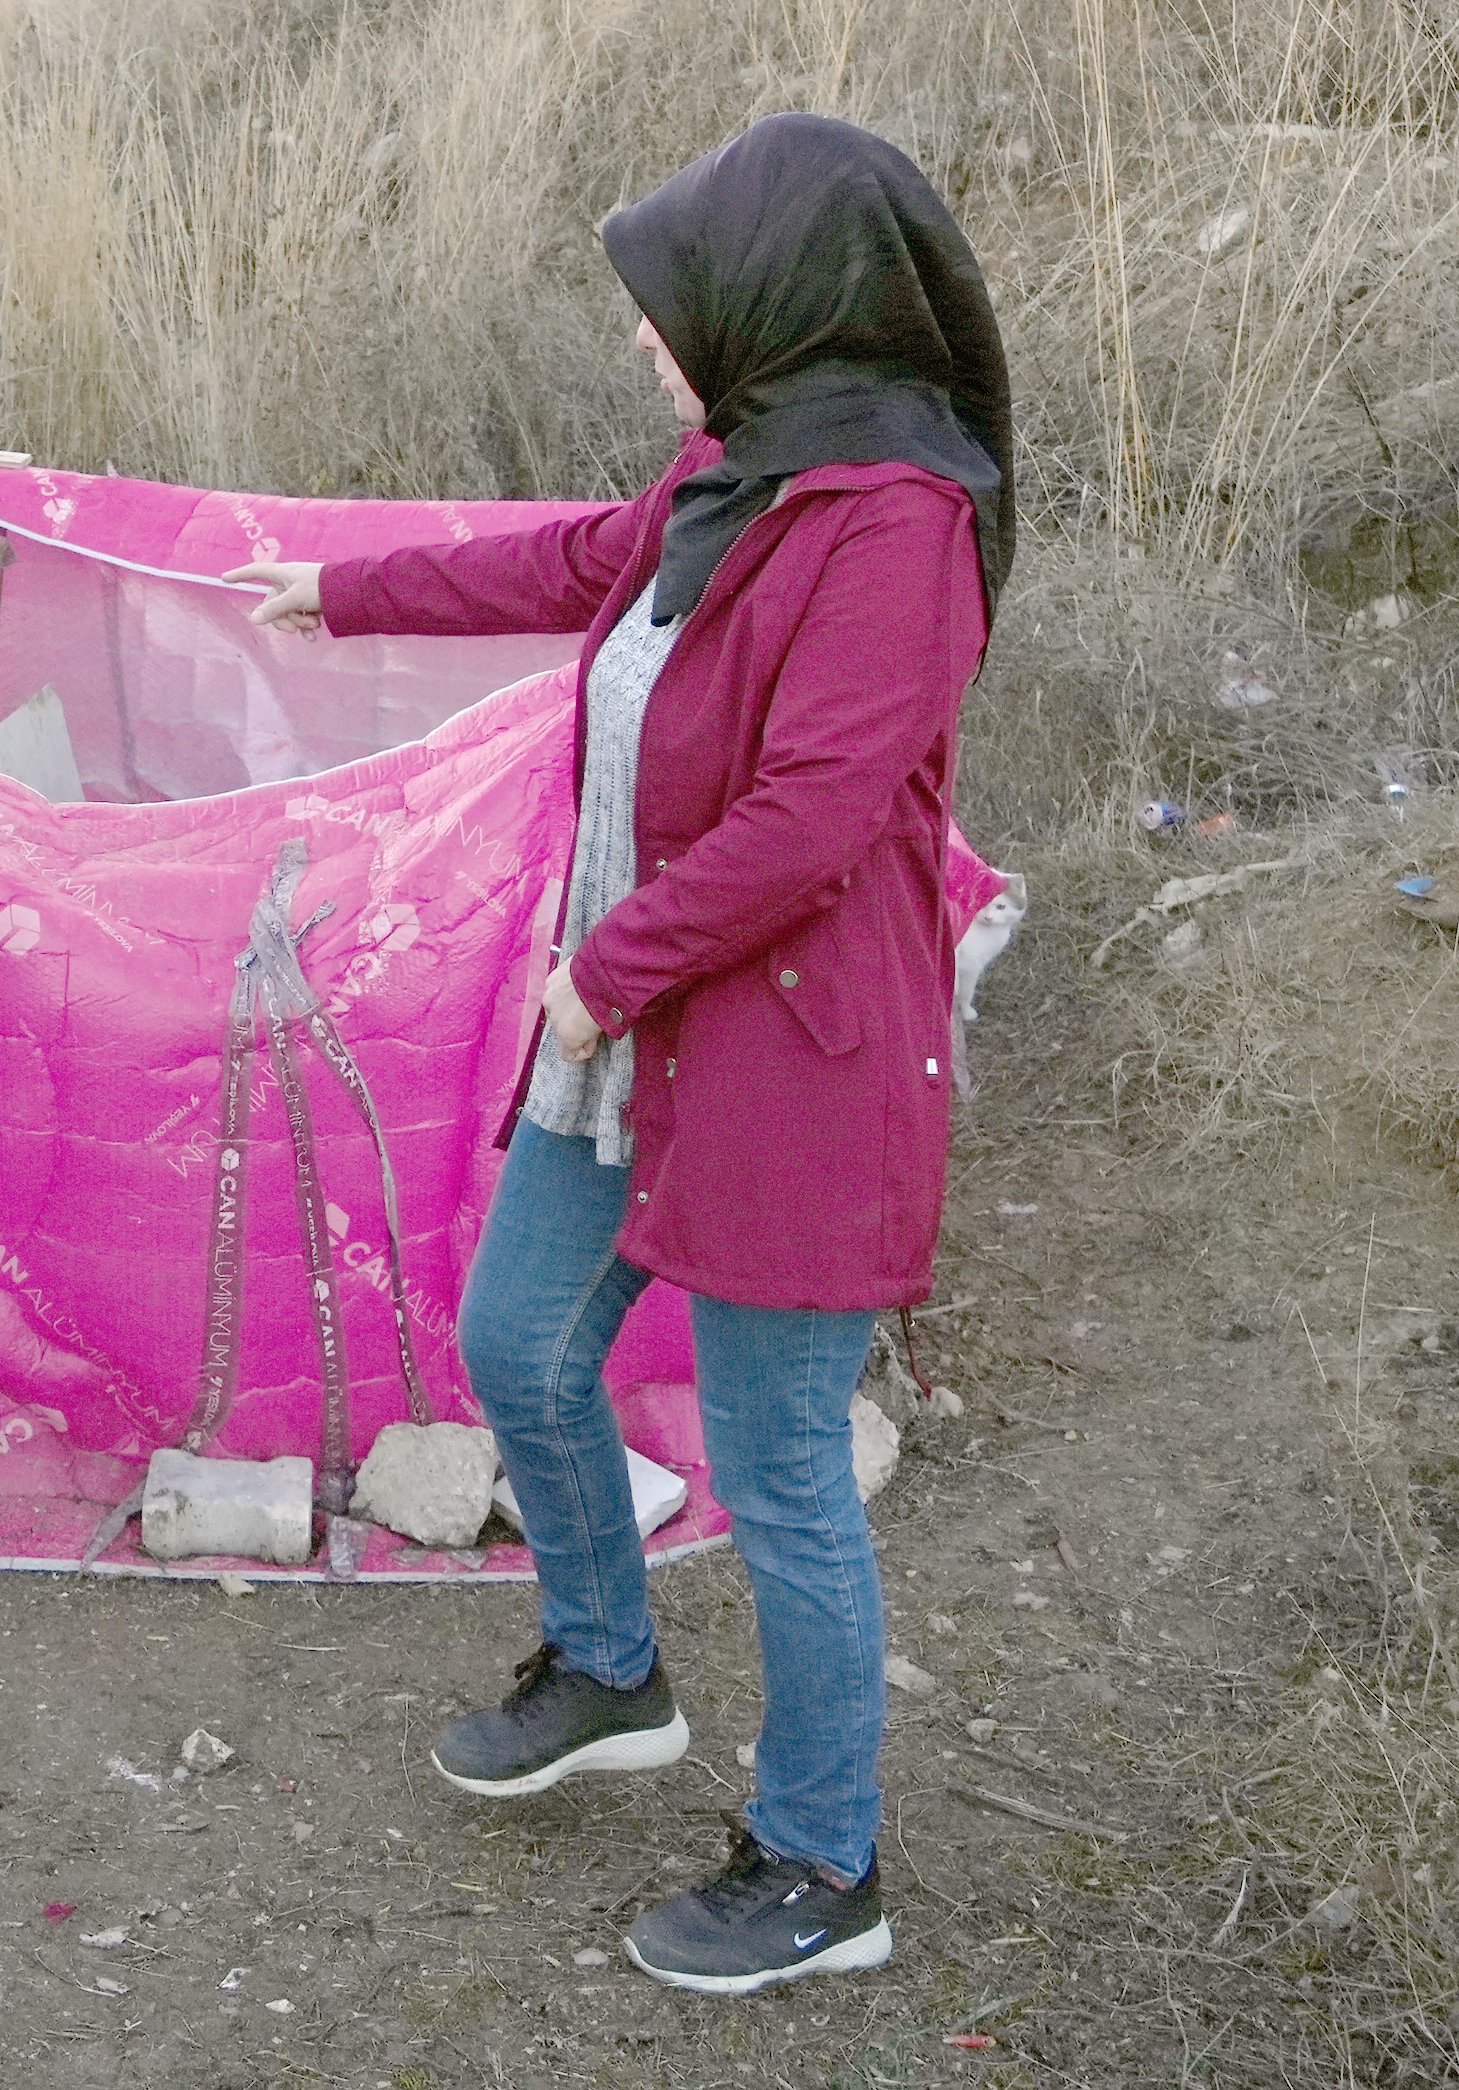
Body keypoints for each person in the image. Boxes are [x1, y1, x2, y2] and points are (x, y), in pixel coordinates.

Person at [224, 111, 1009, 2000]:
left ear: (777, 298)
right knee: (516, 1340)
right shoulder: (744, 472)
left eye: (668, 307)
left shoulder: (897, 525)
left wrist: (609, 967)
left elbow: (821, 809)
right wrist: (345, 593)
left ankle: (826, 1867)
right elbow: (582, 560)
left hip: (793, 1053)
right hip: (647, 1032)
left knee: (781, 1466)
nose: (648, 341)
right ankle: (607, 1662)